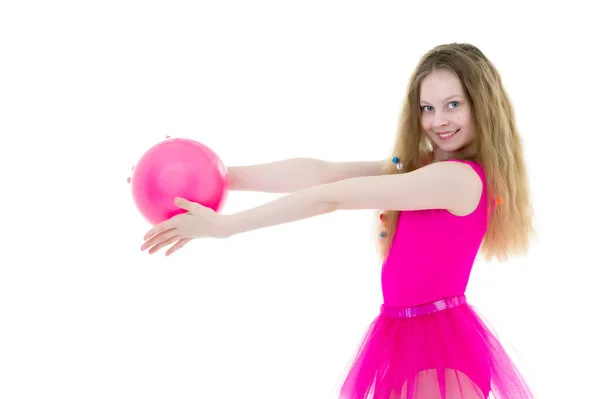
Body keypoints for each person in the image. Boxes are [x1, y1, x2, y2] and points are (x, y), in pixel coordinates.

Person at [139, 43, 535, 398]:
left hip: (439, 353)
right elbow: (325, 174)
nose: (438, 120)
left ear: (481, 104)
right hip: (405, 336)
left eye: (453, 104)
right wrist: (218, 175)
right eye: (427, 108)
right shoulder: (423, 168)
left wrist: (226, 227)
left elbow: (333, 197)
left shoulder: (458, 179)